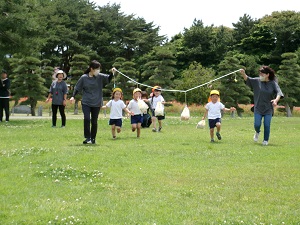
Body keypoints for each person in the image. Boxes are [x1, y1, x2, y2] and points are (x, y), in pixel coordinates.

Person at [70, 60, 116, 144]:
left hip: (97, 102)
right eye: (96, 69)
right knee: (87, 119)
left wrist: (112, 73)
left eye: (99, 69)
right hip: (86, 102)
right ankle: (88, 138)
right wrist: (73, 96)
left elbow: (108, 79)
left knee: (94, 121)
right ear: (91, 69)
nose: (98, 70)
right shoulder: (84, 78)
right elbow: (77, 88)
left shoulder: (100, 76)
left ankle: (93, 138)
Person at [240, 66, 284, 146]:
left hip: (268, 108)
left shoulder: (273, 83)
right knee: (257, 125)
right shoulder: (257, 81)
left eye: (262, 73)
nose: (260, 75)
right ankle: (257, 132)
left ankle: (265, 140)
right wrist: (243, 73)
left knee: (267, 125)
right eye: (259, 73)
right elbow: (247, 79)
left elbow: (279, 93)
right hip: (258, 108)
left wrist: (275, 100)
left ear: (267, 74)